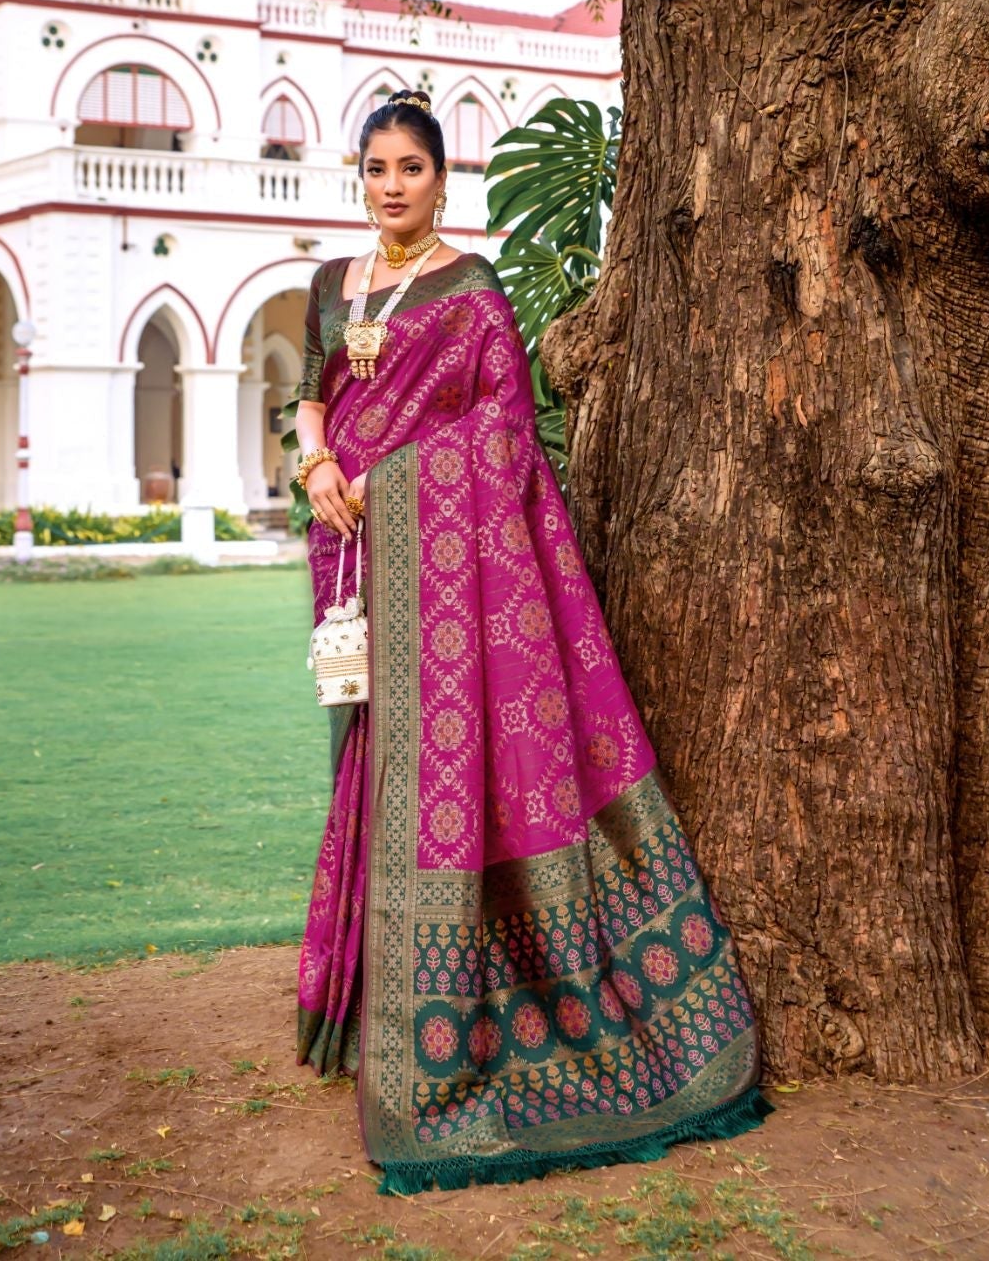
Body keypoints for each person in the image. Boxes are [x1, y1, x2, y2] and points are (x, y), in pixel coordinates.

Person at [292, 87, 769, 1194]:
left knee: (435, 772)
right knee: (369, 766)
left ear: (441, 179)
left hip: (439, 562)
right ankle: (368, 1002)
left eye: (411, 167)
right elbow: (311, 398)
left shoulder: (470, 293)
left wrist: (395, 482)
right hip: (354, 556)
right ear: (358, 177)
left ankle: (449, 1019)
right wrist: (317, 461)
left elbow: (503, 434)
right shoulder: (331, 287)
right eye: (376, 168)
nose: (392, 185)